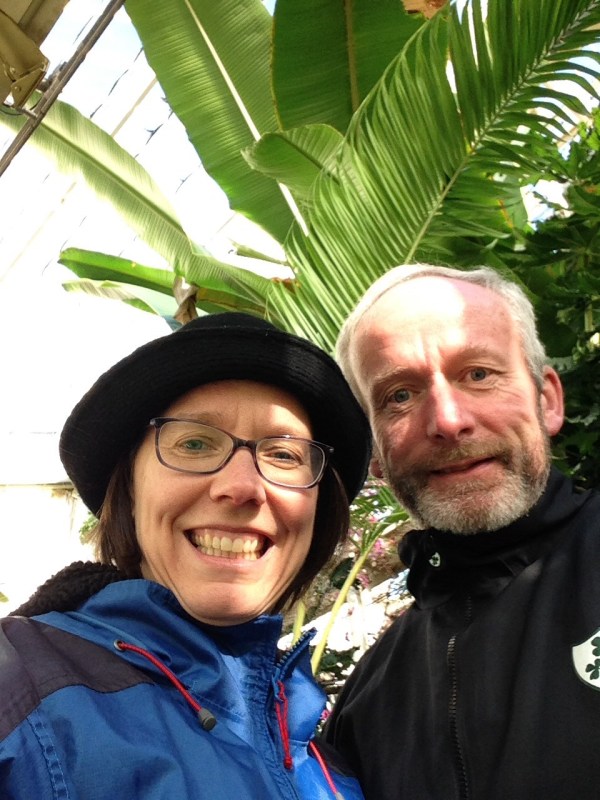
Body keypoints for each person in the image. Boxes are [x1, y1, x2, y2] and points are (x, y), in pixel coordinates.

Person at [0, 312, 372, 800]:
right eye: (194, 443)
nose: (243, 486)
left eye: (284, 455)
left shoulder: (327, 763)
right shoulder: (18, 688)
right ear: (129, 490)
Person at [324, 264, 600, 800]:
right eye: (399, 396)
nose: (448, 421)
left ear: (547, 400)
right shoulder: (364, 709)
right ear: (374, 454)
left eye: (478, 374)